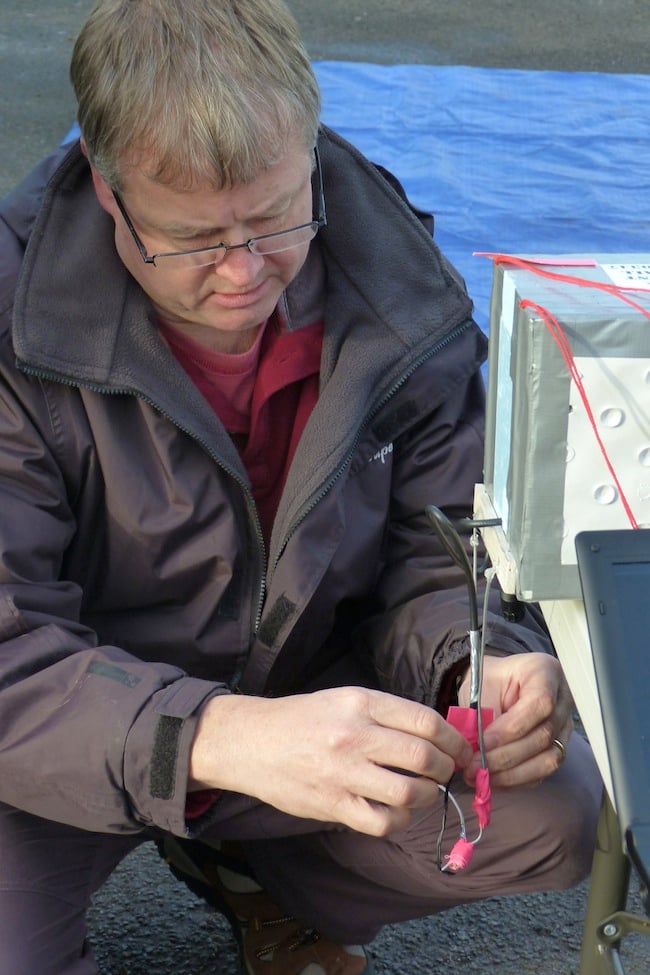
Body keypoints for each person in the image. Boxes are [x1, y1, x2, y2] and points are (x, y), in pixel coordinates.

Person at [0, 1, 602, 973]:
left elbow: (442, 540)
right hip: (68, 736)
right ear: (106, 193)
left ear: (310, 152)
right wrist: (211, 737)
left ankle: (258, 875)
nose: (244, 272)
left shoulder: (395, 287)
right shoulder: (13, 327)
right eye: (192, 238)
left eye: (277, 217)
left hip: (307, 688)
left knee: (544, 816)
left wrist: (470, 665)